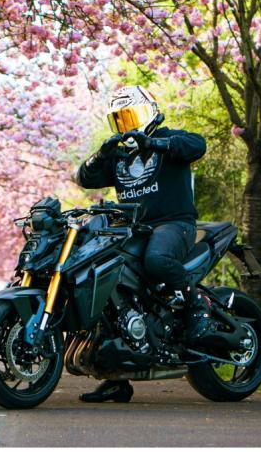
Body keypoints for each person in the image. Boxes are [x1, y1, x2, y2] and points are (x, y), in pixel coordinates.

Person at [73, 85, 211, 404]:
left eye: (131, 117)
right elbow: (83, 178)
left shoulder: (170, 141)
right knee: (106, 286)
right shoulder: (121, 158)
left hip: (173, 223)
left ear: (148, 113)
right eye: (119, 121)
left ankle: (197, 305)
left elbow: (197, 145)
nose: (127, 126)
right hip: (134, 229)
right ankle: (115, 376)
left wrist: (155, 143)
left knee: (158, 260)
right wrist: (103, 153)